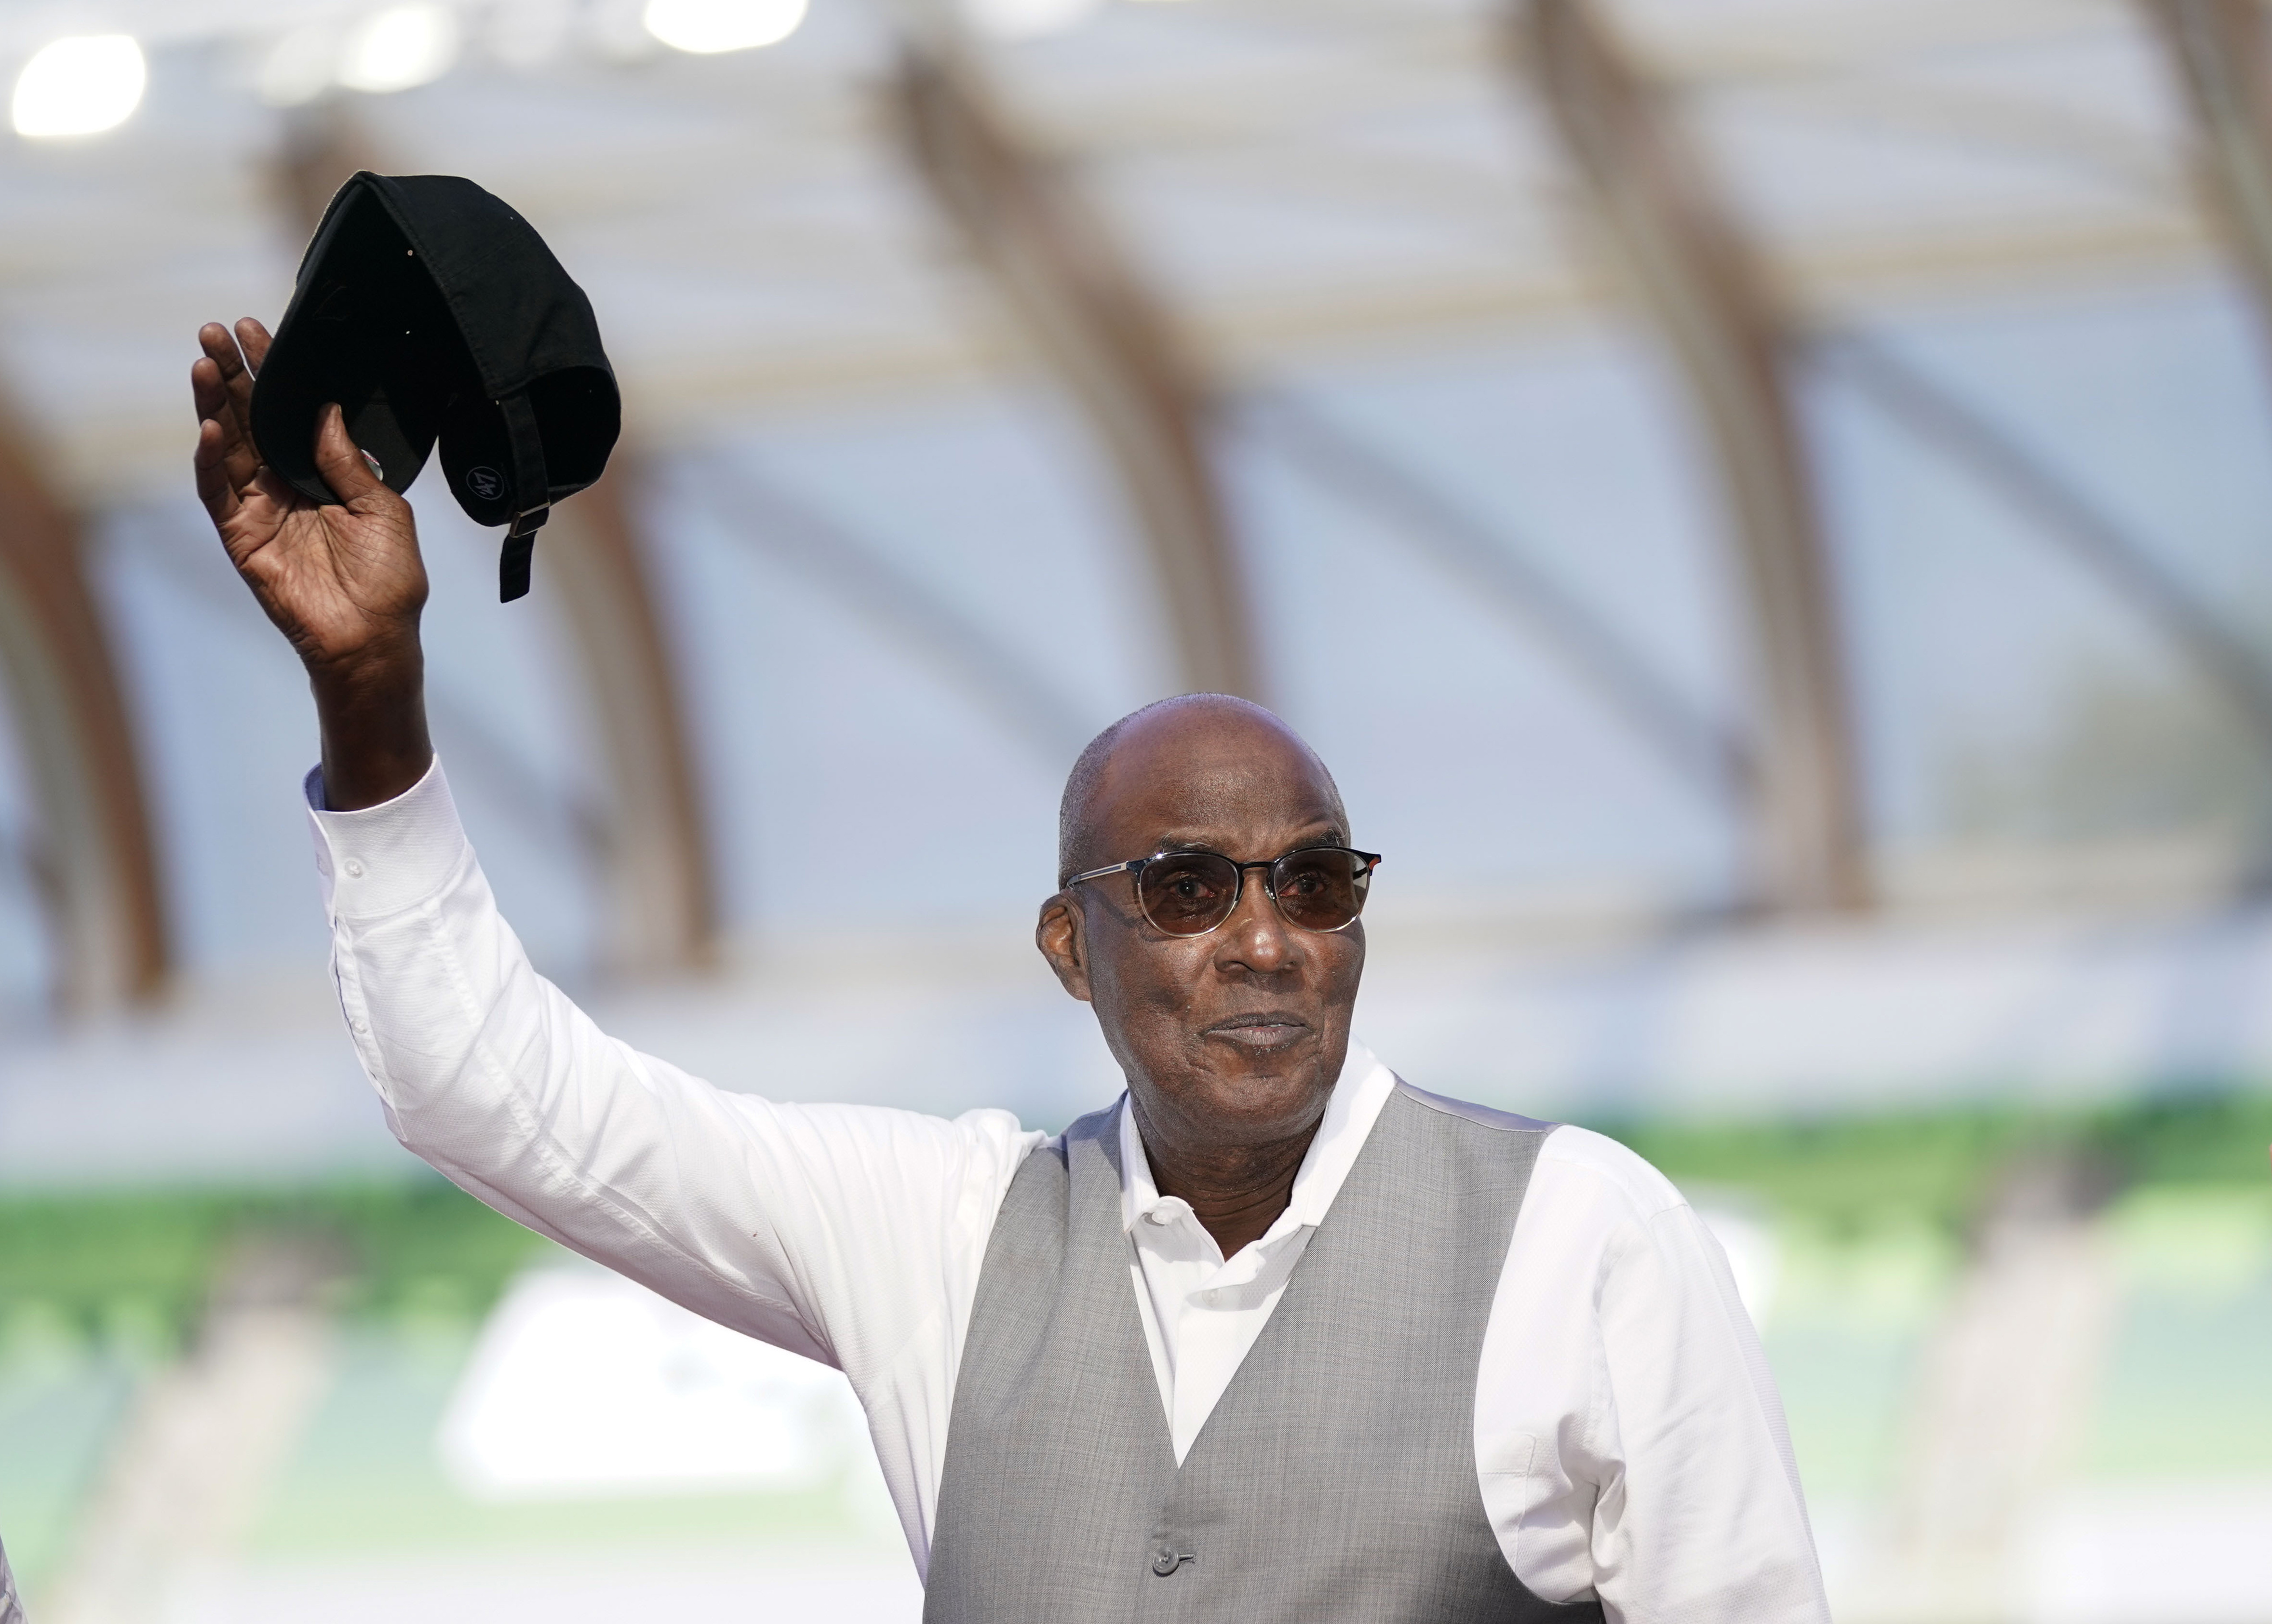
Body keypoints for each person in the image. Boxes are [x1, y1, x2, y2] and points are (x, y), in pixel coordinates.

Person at [191, 316, 1831, 1622]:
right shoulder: (943, 1238)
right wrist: (376, 698)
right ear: (1071, 946)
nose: (1264, 939)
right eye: (1185, 886)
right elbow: (492, 1090)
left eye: (1316, 883)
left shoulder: (1587, 1239)